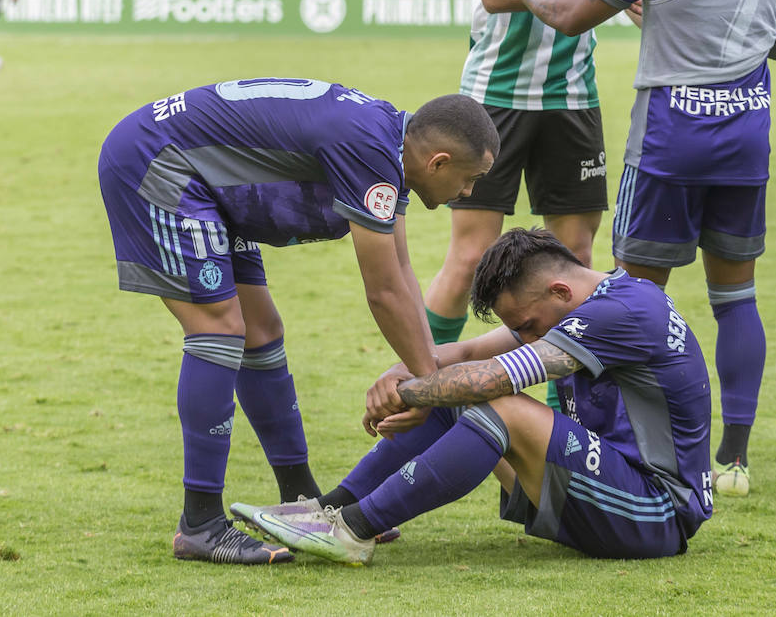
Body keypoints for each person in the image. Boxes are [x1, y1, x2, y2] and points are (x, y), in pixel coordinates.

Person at [485, 0, 776, 498]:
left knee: (632, 300)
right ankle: (733, 461)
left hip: (673, 136)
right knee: (736, 296)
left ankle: (623, 441)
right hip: (747, 133)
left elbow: (567, 15)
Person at [97, 82, 499, 565]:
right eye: (470, 179)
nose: (469, 192)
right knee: (220, 330)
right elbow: (383, 292)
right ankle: (200, 523)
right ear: (439, 162)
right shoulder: (372, 149)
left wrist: (423, 373)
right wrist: (428, 386)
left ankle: (303, 503)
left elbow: (401, 270)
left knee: (261, 332)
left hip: (202, 179)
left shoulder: (391, 145)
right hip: (159, 163)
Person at [230, 228, 713, 565]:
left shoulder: (622, 313)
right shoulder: (599, 298)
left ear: (560, 291)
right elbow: (465, 351)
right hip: (610, 491)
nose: (524, 336)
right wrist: (404, 371)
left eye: (526, 325)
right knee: (459, 391)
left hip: (656, 512)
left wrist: (413, 392)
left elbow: (492, 380)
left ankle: (352, 531)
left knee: (495, 401)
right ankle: (328, 510)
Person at [423, 0, 636, 374]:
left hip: (572, 102)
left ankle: (558, 405)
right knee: (470, 258)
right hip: (495, 98)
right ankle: (423, 385)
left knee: (573, 261)